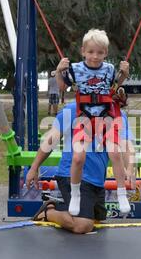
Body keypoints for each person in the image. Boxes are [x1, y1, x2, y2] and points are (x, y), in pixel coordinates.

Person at [26, 102, 136, 234]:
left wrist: (129, 167)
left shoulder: (117, 114)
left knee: (96, 222)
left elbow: (126, 144)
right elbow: (51, 139)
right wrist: (34, 167)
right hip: (71, 175)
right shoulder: (72, 109)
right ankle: (48, 211)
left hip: (97, 179)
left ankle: (71, 213)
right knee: (82, 225)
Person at [55, 29, 130, 217]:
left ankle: (122, 194)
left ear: (105, 53)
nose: (95, 57)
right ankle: (75, 194)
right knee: (78, 157)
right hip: (84, 117)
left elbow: (116, 84)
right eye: (91, 52)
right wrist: (59, 70)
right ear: (83, 51)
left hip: (106, 116)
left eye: (99, 52)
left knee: (114, 152)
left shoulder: (109, 69)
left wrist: (124, 74)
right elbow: (63, 87)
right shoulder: (76, 69)